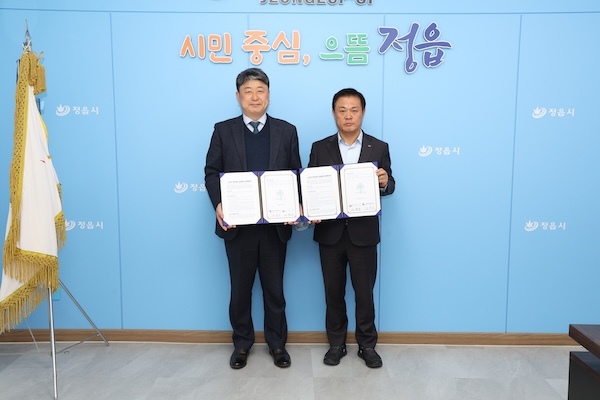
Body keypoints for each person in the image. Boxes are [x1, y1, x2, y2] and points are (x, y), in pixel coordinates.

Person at [204, 68, 302, 369]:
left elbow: (295, 174)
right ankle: (242, 344)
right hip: (238, 227)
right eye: (248, 91)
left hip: (275, 228)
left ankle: (277, 345)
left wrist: (296, 205)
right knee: (240, 290)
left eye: (260, 90)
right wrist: (219, 204)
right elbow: (211, 172)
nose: (255, 97)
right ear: (238, 97)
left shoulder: (287, 131)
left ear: (268, 95)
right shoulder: (223, 130)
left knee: (275, 290)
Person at [308, 88, 395, 368]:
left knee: (364, 294)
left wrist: (384, 182)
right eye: (342, 110)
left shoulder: (378, 147)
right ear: (334, 113)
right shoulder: (319, 147)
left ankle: (367, 345)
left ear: (363, 113)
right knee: (333, 293)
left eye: (354, 110)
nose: (348, 115)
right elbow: (310, 187)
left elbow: (390, 185)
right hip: (330, 234)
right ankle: (336, 344)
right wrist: (311, 208)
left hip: (363, 234)